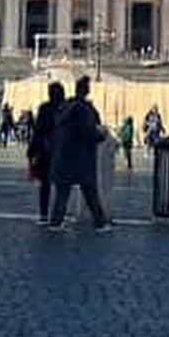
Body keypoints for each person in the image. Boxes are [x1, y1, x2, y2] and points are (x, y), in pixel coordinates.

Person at [48, 75, 110, 233]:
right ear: (86, 90)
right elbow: (88, 132)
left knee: (63, 192)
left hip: (63, 156)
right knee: (90, 192)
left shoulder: (65, 106)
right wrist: (102, 135)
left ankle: (55, 223)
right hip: (81, 157)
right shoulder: (83, 109)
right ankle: (100, 224)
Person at [27, 82, 65, 224]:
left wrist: (32, 150)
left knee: (46, 185)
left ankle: (44, 214)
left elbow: (38, 131)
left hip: (47, 151)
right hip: (61, 151)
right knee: (61, 186)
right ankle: (57, 216)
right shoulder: (66, 108)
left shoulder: (45, 109)